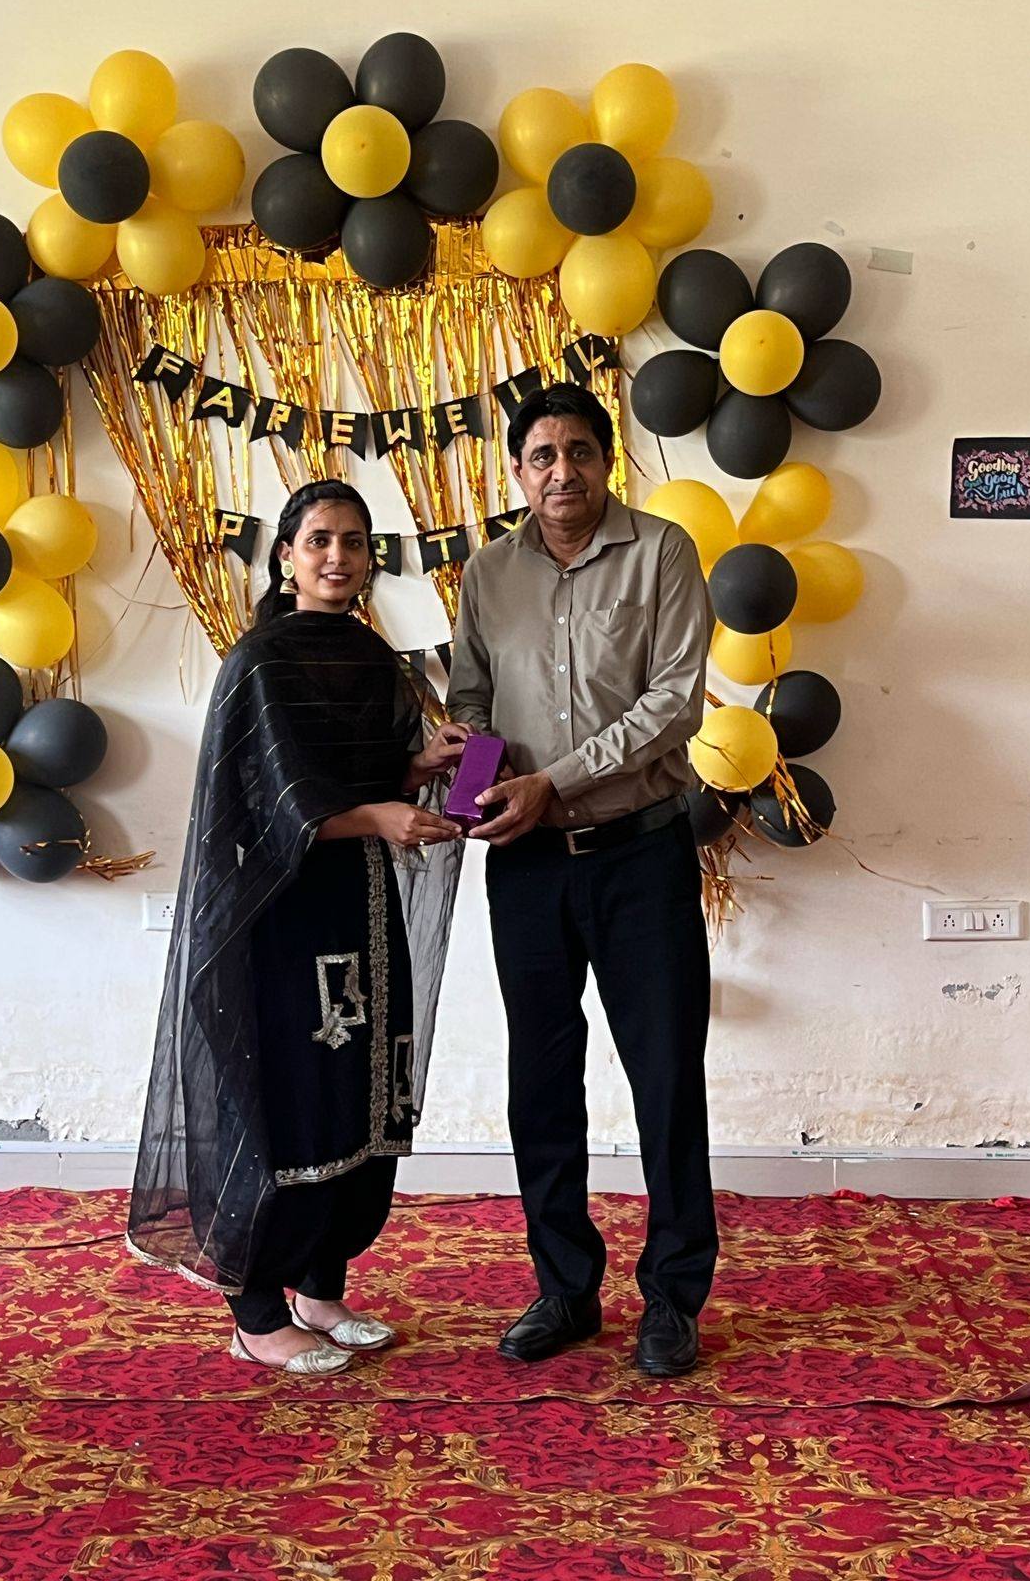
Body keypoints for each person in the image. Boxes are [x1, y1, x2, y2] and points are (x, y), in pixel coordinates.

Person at [128, 480, 466, 1377]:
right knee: (288, 1100)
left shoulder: (371, 655)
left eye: (354, 541)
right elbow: (271, 802)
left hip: (361, 904)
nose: (337, 557)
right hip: (282, 914)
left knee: (356, 1092)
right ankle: (255, 1311)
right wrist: (380, 816)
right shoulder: (262, 661)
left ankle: (320, 1286)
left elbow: (359, 772)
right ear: (285, 555)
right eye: (319, 540)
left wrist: (417, 766)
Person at [448, 383, 716, 1378]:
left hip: (640, 856)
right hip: (525, 867)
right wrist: (475, 800)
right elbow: (471, 702)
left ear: (608, 461)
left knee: (666, 1077)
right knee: (542, 1081)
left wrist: (550, 781)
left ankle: (673, 1297)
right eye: (542, 456)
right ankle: (564, 1288)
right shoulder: (488, 572)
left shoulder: (662, 554)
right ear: (519, 471)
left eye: (579, 452)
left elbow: (673, 704)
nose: (562, 471)